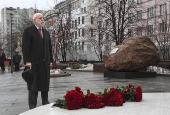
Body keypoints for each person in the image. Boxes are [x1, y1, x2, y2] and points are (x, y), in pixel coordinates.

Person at [22, 13, 53, 109]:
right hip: (34, 64)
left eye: (43, 18)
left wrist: (50, 60)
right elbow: (25, 47)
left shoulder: (46, 32)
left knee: (45, 84)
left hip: (45, 64)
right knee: (33, 85)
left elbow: (49, 48)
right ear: (35, 20)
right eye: (40, 18)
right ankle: (32, 106)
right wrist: (27, 61)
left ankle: (45, 102)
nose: (42, 20)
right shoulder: (29, 31)